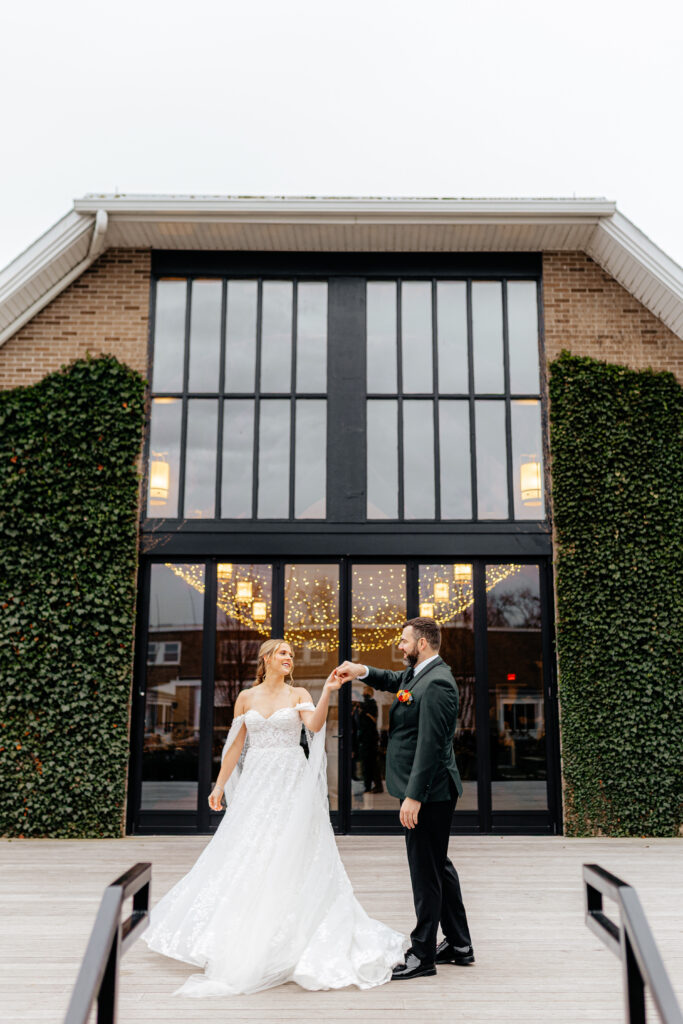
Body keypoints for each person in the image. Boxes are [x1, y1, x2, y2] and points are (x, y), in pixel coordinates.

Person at [143, 638, 407, 996]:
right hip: (256, 782)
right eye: (283, 653)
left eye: (291, 656)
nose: (289, 659)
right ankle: (247, 933)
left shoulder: (298, 693)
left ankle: (292, 935)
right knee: (251, 850)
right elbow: (236, 744)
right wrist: (219, 786)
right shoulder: (245, 698)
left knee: (293, 850)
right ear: (266, 659)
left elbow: (313, 727)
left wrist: (328, 691)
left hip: (290, 781)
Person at [336, 617, 474, 980]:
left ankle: (423, 954)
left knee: (425, 871)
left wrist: (414, 797)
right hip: (426, 792)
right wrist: (360, 670)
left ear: (423, 643)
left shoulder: (439, 683)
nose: (400, 646)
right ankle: (460, 944)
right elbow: (395, 682)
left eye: (404, 641)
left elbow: (431, 747)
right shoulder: (419, 675)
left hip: (430, 793)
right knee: (437, 864)